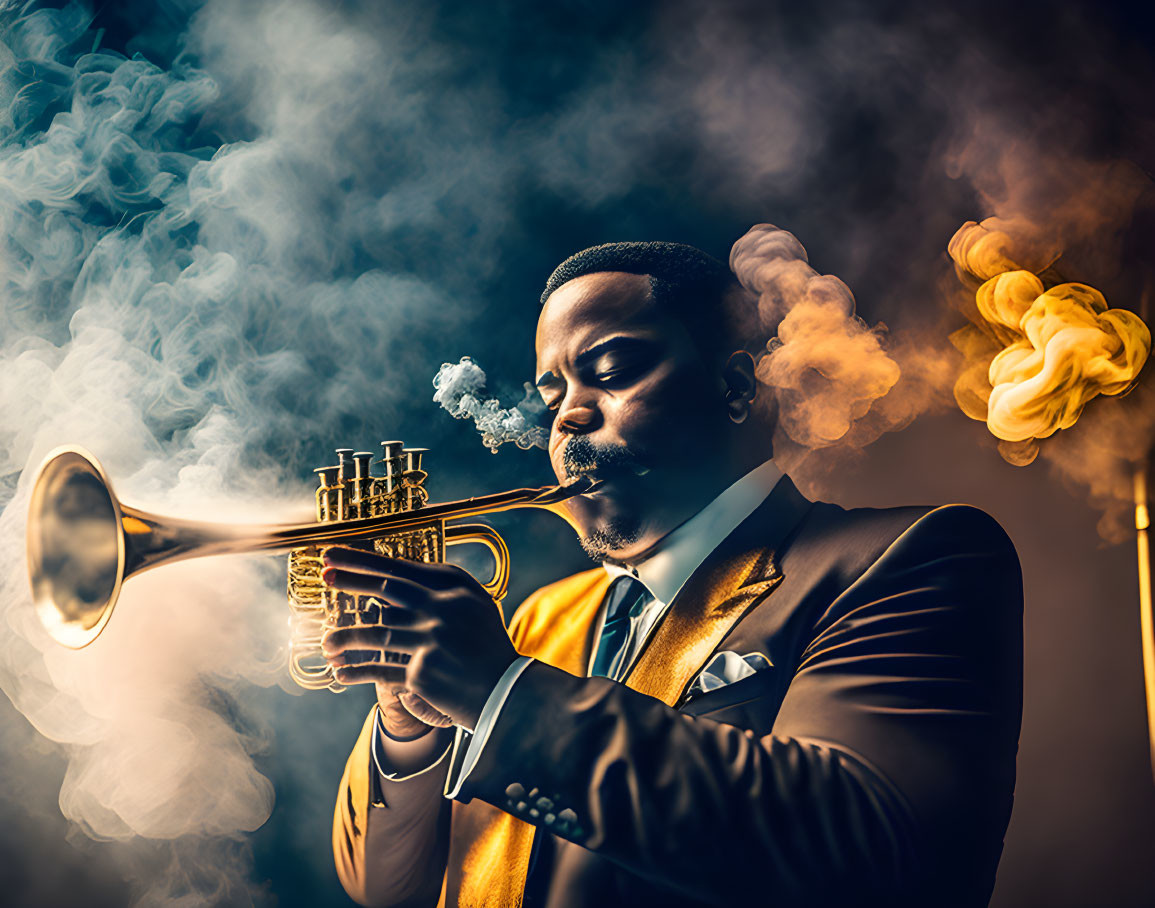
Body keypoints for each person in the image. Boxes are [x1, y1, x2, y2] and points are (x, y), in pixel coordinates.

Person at [321, 242, 1023, 907]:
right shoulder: (535, 618)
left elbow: (862, 849)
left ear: (734, 387)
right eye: (553, 393)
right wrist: (407, 731)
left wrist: (497, 692)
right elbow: (384, 888)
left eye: (611, 370)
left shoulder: (908, 557)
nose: (568, 415)